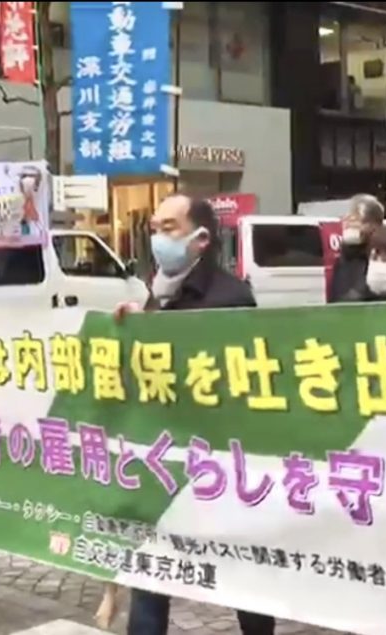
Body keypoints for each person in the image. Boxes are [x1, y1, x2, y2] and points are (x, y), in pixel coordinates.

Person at [115, 194, 273, 635]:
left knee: (241, 575)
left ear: (200, 239)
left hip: (216, 465)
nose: (157, 238)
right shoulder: (156, 293)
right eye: (154, 228)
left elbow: (237, 384)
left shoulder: (231, 299)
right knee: (150, 572)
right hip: (163, 458)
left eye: (169, 228)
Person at [328, 194, 386, 303]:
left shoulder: (383, 256)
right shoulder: (342, 256)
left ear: (374, 226)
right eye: (347, 220)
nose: (349, 225)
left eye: (356, 220)